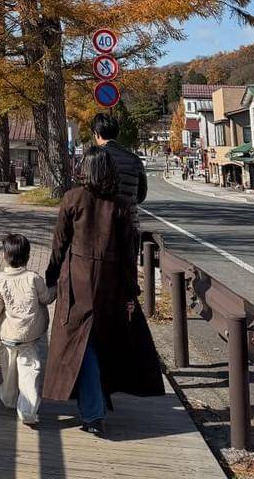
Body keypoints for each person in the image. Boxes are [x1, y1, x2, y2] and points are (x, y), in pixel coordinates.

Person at [44, 146, 163, 436]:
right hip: (109, 283)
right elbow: (128, 253)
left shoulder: (73, 199)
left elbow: (60, 243)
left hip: (77, 280)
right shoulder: (120, 206)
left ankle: (93, 410)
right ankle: (95, 405)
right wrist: (129, 288)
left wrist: (51, 276)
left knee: (80, 344)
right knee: (99, 342)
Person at [0, 232, 54, 427]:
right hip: (30, 337)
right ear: (28, 256)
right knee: (29, 373)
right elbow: (46, 298)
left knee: (8, 372)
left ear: (5, 257)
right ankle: (28, 410)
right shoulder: (34, 278)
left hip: (8, 336)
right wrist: (56, 289)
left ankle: (8, 400)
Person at [92, 113, 147, 206]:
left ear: (97, 134)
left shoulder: (93, 158)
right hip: (129, 217)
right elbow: (141, 195)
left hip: (102, 217)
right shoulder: (135, 159)